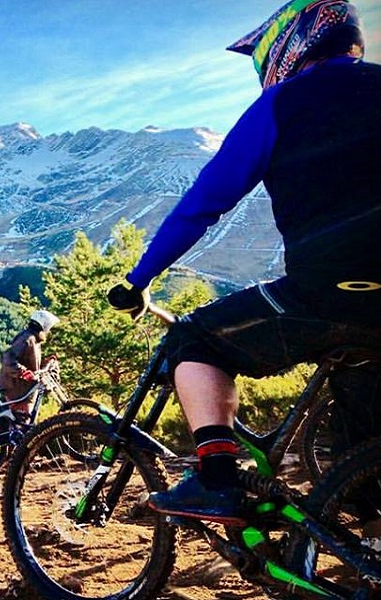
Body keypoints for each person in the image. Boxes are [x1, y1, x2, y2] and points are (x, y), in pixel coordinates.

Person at [108, 0, 381, 525]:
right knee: (362, 472)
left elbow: (200, 208)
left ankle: (217, 482)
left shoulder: (281, 104)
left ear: (291, 44)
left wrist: (138, 279)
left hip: (322, 293)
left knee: (194, 339)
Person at [0, 309, 59, 422]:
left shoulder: (34, 340)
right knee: (23, 424)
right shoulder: (27, 339)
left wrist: (46, 363)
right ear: (43, 326)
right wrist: (23, 372)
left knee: (25, 422)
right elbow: (8, 359)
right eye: (48, 328)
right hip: (17, 389)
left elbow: (29, 362)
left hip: (23, 388)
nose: (48, 332)